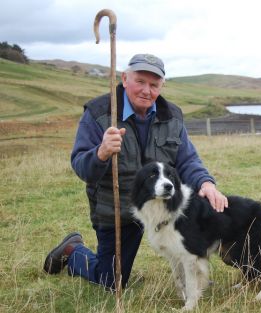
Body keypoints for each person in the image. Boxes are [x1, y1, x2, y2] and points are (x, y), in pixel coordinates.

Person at [43, 54, 228, 290]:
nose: (146, 91)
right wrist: (101, 153)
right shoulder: (99, 113)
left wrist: (206, 183)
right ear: (125, 78)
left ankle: (203, 273)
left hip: (164, 209)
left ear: (162, 85)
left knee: (211, 223)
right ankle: (73, 250)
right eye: (140, 81)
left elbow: (187, 160)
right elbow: (81, 166)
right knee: (111, 281)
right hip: (118, 210)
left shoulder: (172, 115)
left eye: (154, 84)